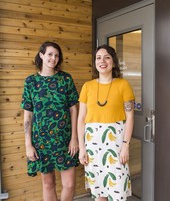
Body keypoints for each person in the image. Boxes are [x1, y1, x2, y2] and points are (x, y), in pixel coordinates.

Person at [21, 41, 79, 201]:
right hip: (41, 141)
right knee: (48, 184)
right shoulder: (30, 82)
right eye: (50, 54)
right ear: (41, 55)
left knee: (69, 184)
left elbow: (73, 109)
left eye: (56, 55)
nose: (53, 58)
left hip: (65, 139)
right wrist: (28, 145)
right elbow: (28, 116)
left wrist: (74, 138)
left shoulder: (65, 79)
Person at [77, 44, 135, 201]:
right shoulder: (87, 87)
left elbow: (130, 117)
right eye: (98, 57)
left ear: (114, 62)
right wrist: (82, 148)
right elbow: (81, 119)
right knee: (99, 191)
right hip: (93, 145)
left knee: (117, 191)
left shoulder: (123, 85)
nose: (102, 61)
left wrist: (125, 146)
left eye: (107, 57)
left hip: (116, 145)